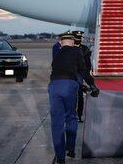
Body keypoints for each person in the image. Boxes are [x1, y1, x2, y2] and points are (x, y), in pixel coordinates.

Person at [49, 31, 100, 164]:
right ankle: (70, 149)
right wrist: (92, 85)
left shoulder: (57, 52)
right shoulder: (77, 51)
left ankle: (60, 157)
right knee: (71, 116)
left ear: (61, 42)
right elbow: (83, 70)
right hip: (69, 85)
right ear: (72, 42)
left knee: (57, 122)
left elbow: (59, 69)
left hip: (54, 86)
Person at [72, 30, 92, 123]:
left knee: (79, 95)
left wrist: (85, 75)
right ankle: (72, 114)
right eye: (77, 38)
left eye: (79, 38)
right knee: (72, 96)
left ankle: (79, 115)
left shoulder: (85, 49)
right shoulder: (69, 48)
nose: (78, 40)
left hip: (79, 75)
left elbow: (88, 65)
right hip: (71, 74)